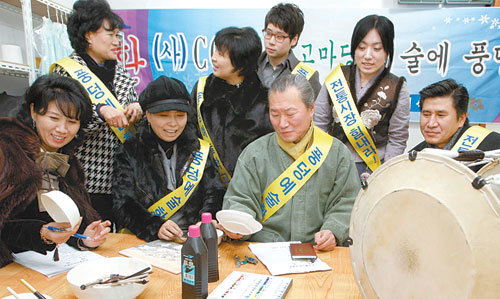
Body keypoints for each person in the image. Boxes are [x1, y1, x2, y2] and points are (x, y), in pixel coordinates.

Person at [220, 74, 360, 251]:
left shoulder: (336, 154)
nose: (282, 123)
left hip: (316, 251)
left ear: (311, 108)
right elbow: (240, 200)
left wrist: (333, 231)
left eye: (290, 114)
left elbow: (347, 202)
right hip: (263, 251)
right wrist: (238, 225)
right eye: (275, 114)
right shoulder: (254, 154)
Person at [0, 75, 111, 268]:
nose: (62, 129)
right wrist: (41, 233)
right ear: (34, 111)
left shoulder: (68, 161)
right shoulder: (8, 152)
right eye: (53, 118)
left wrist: (83, 237)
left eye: (71, 121)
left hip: (49, 267)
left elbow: (63, 223)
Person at [51, 0, 142, 224]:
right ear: (89, 35)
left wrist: (138, 111)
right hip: (83, 179)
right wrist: (99, 112)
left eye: (119, 35)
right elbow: (59, 125)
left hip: (122, 180)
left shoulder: (122, 73)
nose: (117, 40)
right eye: (111, 34)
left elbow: (132, 123)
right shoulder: (67, 71)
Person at [113, 76, 225, 242]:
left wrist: (207, 221)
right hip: (146, 241)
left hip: (194, 238)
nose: (173, 123)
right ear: (148, 115)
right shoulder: (130, 151)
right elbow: (123, 204)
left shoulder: (200, 149)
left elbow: (215, 192)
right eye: (164, 115)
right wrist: (154, 226)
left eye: (180, 115)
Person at [314, 15, 410, 177]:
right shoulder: (337, 78)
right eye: (362, 47)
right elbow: (319, 124)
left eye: (377, 48)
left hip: (373, 168)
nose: (367, 55)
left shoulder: (397, 87)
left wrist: (384, 175)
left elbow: (397, 138)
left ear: (387, 51)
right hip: (332, 164)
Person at [191, 26, 273, 186]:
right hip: (205, 189)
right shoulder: (202, 90)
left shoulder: (264, 101)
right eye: (215, 51)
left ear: (241, 63)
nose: (213, 58)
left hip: (247, 191)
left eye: (221, 54)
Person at [412, 79, 500, 153]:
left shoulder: (493, 148)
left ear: (461, 119)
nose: (431, 124)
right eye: (426, 114)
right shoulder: (415, 155)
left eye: (441, 115)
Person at [257, 3, 321, 97]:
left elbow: (316, 110)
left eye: (279, 37)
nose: (271, 41)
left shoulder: (307, 76)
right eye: (268, 33)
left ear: (294, 40)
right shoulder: (250, 64)